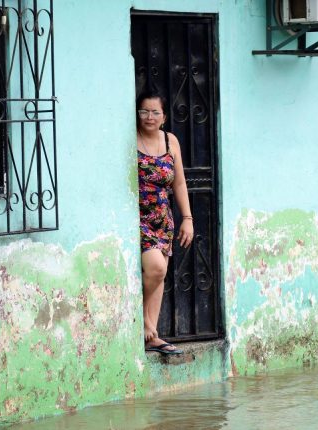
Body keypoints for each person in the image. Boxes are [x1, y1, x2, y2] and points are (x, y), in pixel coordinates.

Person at [136, 90, 193, 355]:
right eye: (144, 111)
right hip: (138, 218)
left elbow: (179, 182)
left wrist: (187, 219)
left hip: (163, 219)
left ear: (164, 117)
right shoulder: (130, 139)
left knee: (159, 277)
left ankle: (152, 335)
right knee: (156, 268)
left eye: (155, 112)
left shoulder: (171, 142)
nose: (149, 117)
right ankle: (144, 322)